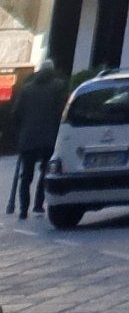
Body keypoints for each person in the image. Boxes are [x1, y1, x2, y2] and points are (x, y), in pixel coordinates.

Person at [10, 65, 64, 217]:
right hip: (49, 138)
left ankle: (23, 209)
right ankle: (38, 205)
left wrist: (20, 131)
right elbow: (61, 112)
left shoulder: (26, 90)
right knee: (45, 172)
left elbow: (15, 114)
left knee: (26, 175)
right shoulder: (57, 87)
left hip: (28, 138)